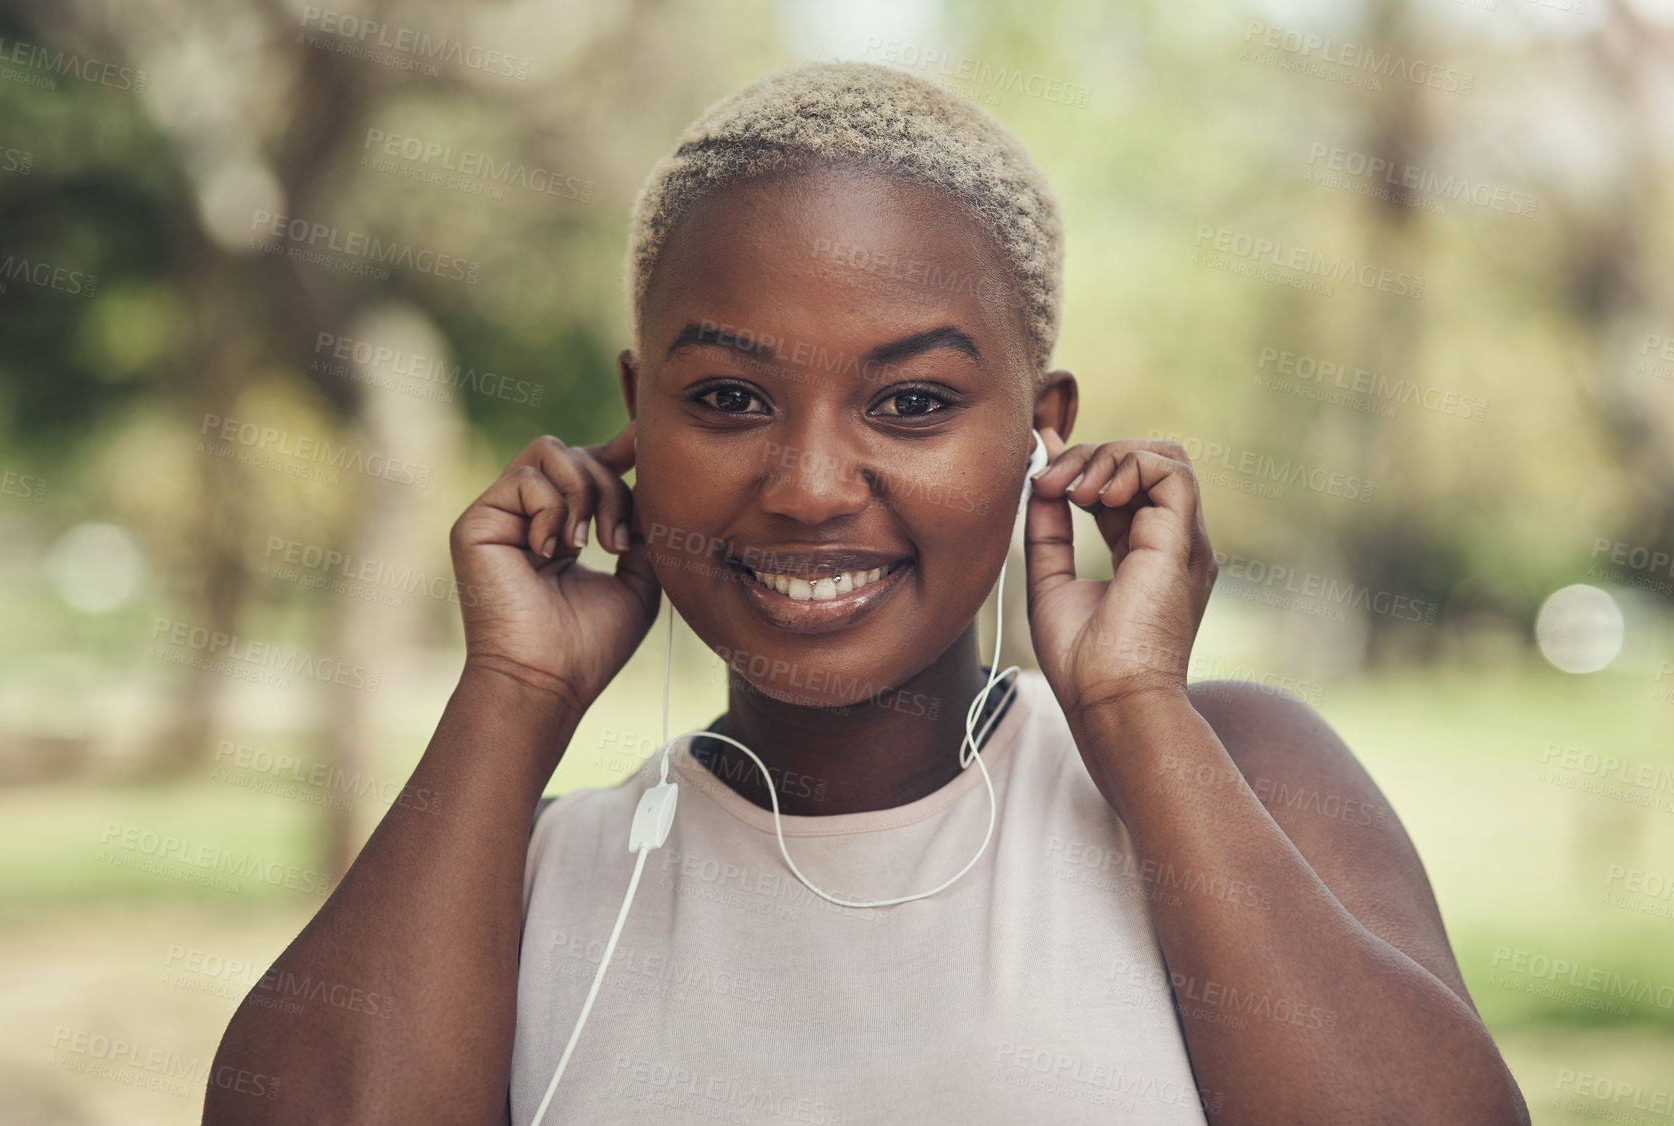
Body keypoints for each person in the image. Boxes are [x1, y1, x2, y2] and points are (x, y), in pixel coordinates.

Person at [205, 61, 1530, 1125]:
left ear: (1040, 433)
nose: (810, 482)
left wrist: (1134, 706)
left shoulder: (1239, 771)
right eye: (728, 398)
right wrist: (514, 692)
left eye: (911, 401)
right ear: (635, 419)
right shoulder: (532, 876)